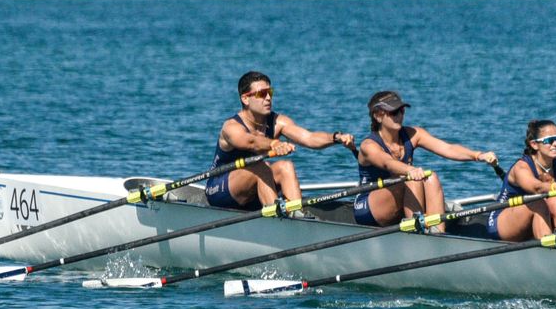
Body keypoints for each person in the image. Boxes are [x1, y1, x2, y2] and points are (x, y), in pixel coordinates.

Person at [206, 71, 355, 211]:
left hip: (253, 190)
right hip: (220, 190)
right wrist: (274, 144)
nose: (268, 98)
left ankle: (296, 213)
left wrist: (336, 137)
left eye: (270, 92)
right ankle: (276, 218)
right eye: (262, 94)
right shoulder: (231, 127)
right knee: (260, 166)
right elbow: (251, 142)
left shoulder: (278, 122)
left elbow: (309, 138)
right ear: (245, 99)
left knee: (285, 166)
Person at [352, 90, 498, 227]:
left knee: (431, 177)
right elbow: (387, 163)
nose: (400, 116)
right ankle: (416, 231)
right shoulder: (368, 146)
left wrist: (478, 155)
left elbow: (448, 148)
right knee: (411, 179)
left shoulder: (413, 134)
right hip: (368, 208)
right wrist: (411, 170)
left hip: (399, 198)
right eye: (394, 112)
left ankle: (436, 232)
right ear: (378, 116)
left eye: (402, 111)